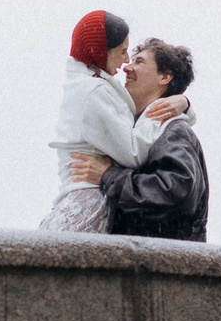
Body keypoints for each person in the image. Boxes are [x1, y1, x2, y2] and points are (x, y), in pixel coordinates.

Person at [38, 10, 188, 232]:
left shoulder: (89, 85)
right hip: (87, 202)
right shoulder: (94, 91)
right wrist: (172, 109)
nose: (126, 62)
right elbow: (133, 152)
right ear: (100, 51)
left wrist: (183, 104)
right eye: (123, 52)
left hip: (83, 199)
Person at [70, 38, 207, 242]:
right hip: (139, 262)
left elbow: (175, 191)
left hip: (161, 266)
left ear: (165, 77)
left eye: (139, 62)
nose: (127, 68)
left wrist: (108, 176)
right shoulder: (135, 128)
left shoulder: (173, 130)